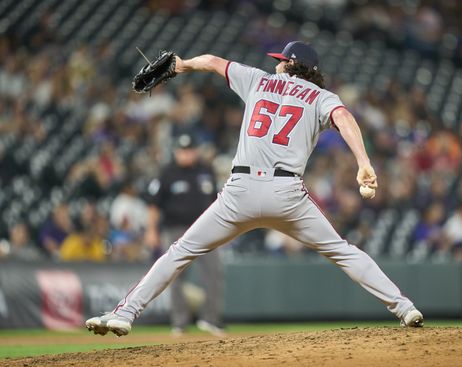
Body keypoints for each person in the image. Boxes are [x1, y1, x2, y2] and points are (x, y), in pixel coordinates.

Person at [86, 41, 424, 337]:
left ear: (292, 64)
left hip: (241, 191)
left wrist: (184, 65)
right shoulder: (322, 96)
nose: (276, 63)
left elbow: (215, 62)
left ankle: (124, 314)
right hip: (287, 193)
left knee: (179, 252)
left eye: (282, 59)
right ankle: (404, 307)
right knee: (343, 251)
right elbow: (345, 118)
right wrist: (363, 161)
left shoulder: (258, 80)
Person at [143, 132, 224, 336]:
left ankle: (211, 319)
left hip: (207, 230)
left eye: (189, 150)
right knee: (175, 276)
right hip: (176, 229)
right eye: (182, 151)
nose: (186, 154)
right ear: (176, 152)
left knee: (214, 273)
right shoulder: (167, 173)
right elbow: (154, 204)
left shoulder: (205, 170)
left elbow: (218, 201)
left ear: (196, 151)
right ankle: (179, 322)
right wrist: (151, 229)